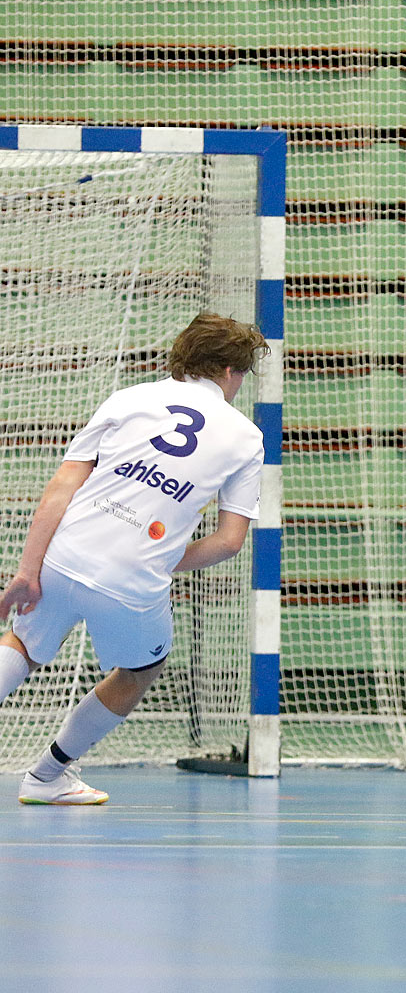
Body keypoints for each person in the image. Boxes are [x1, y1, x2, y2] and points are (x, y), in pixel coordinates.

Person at [0, 312, 268, 804]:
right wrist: (161, 559)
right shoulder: (247, 437)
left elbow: (62, 485)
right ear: (232, 372)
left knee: (23, 645)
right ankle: (47, 777)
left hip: (64, 551)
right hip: (132, 580)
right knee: (141, 670)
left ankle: (49, 776)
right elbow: (230, 541)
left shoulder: (129, 398)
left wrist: (26, 571)